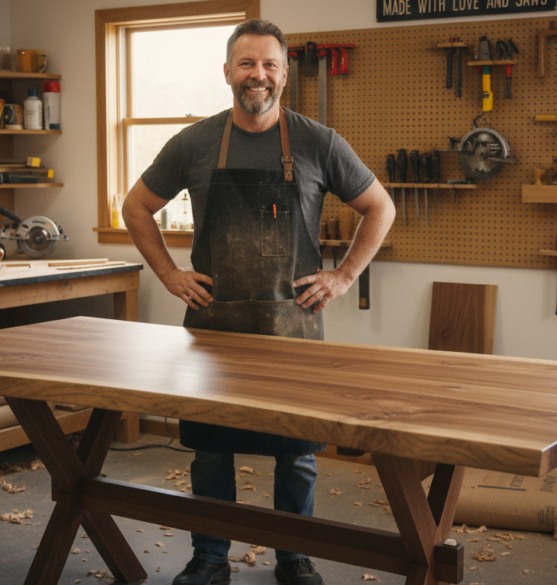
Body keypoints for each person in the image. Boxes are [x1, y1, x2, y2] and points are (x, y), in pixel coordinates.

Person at [123, 19, 395, 585]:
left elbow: (381, 208)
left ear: (285, 74)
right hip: (213, 329)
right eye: (247, 64)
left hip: (291, 329)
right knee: (209, 450)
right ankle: (210, 558)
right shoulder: (195, 143)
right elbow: (135, 207)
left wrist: (343, 276)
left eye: (269, 64)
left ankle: (293, 555)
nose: (258, 75)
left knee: (295, 451)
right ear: (227, 73)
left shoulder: (319, 141)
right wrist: (170, 272)